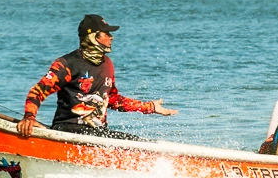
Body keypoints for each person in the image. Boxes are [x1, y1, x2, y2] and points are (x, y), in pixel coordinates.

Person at [16, 14, 177, 140]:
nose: (111, 37)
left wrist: (149, 107)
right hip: (69, 130)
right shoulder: (67, 64)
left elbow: (112, 99)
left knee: (136, 142)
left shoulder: (107, 64)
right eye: (106, 33)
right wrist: (29, 118)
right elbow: (37, 92)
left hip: (98, 133)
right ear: (93, 36)